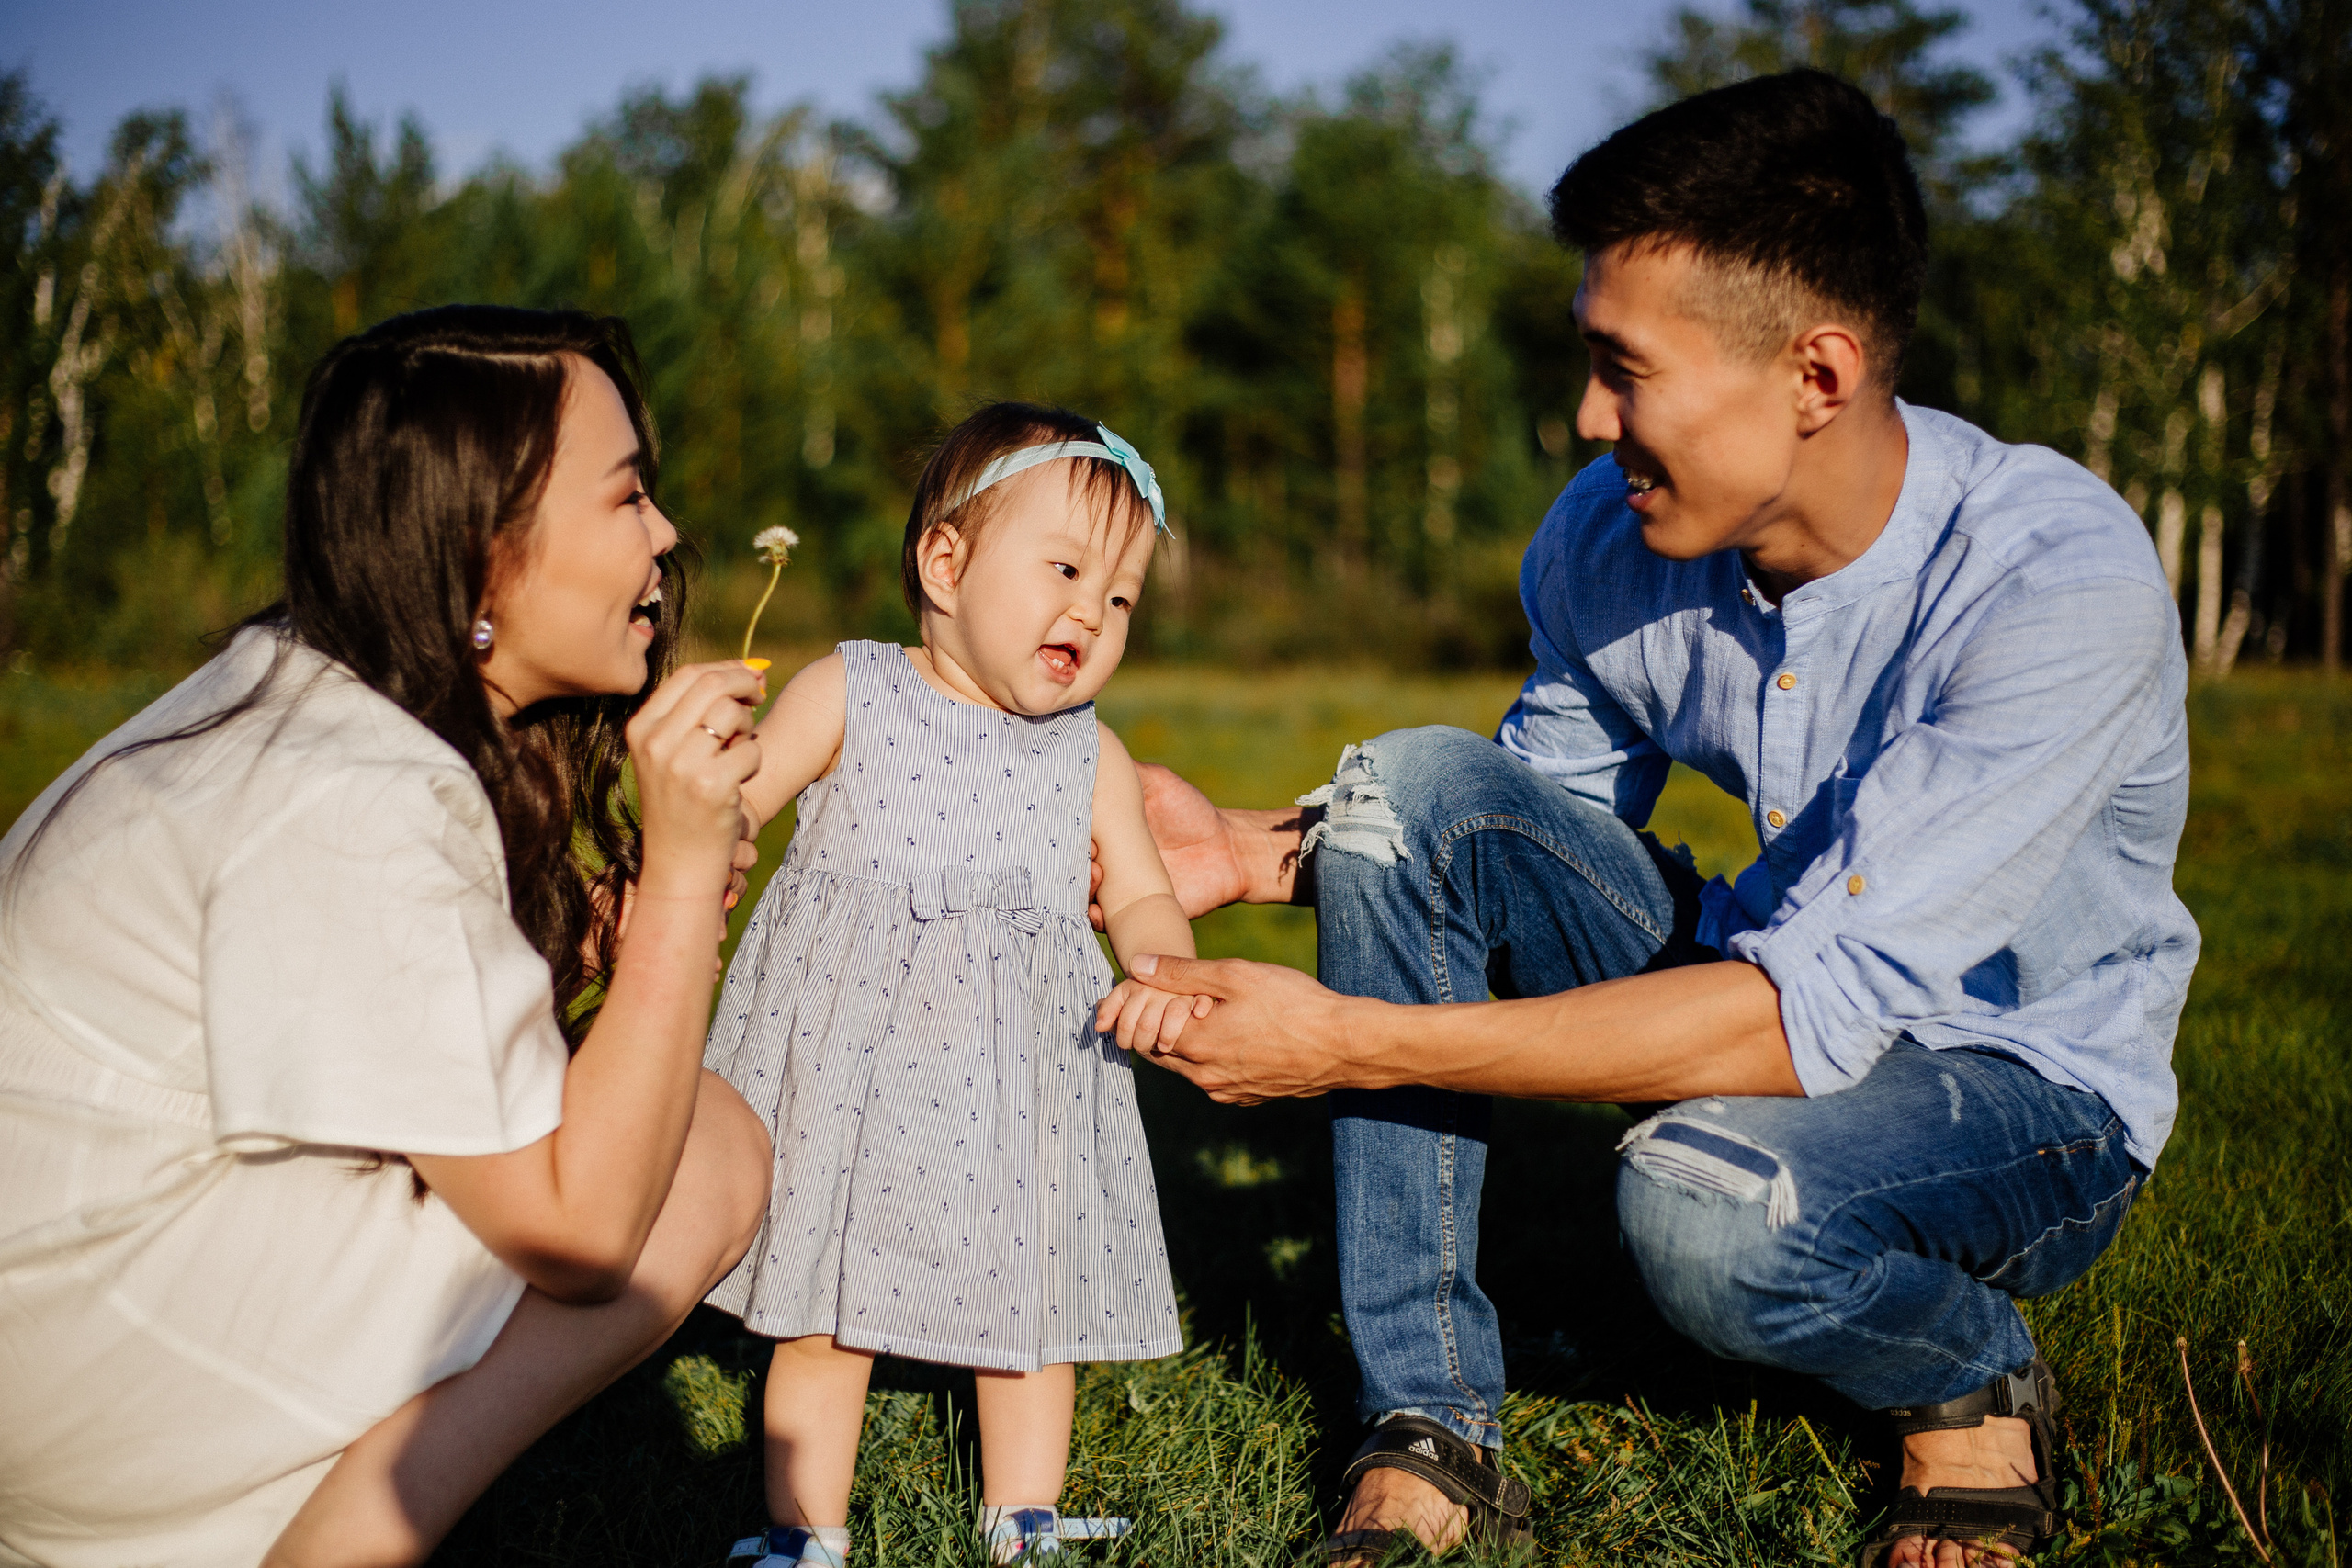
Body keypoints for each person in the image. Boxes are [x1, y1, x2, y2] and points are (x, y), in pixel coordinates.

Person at [1101, 72, 2196, 1568]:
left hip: (2022, 1094)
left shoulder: (2052, 582)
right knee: (1398, 788)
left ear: (1816, 375)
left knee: (1701, 1204)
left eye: (1627, 371)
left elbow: (1811, 1020)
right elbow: (1506, 831)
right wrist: (1266, 848)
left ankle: (1963, 1366)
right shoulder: (1613, 534)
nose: (1585, 415)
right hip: (1772, 973)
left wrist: (1341, 1044)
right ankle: (1429, 1424)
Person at [0, 306, 773, 1568]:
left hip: (48, 1315)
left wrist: (590, 945)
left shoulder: (299, 687)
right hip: (84, 1363)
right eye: (627, 497)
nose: (667, 535)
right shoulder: (356, 787)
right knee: (708, 1152)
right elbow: (576, 1236)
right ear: (484, 551)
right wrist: (680, 897)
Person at [706, 403, 1200, 1568]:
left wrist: (1167, 967)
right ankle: (802, 1530)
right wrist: (710, 821)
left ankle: (1021, 1516)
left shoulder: (1093, 753)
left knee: (1029, 1296)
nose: (1094, 609)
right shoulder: (853, 689)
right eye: (1068, 570)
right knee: (822, 1302)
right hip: (850, 1067)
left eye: (1121, 595)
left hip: (1017, 1077)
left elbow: (1134, 890)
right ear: (945, 563)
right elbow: (748, 801)